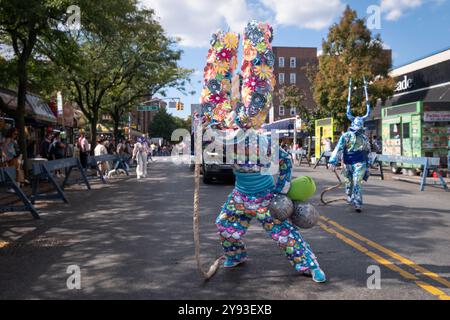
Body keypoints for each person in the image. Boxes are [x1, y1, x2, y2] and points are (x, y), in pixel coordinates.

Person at [201, 23, 325, 283]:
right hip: (239, 196)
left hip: (264, 197)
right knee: (225, 225)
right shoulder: (225, 140)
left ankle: (309, 265)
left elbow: (285, 160)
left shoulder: (261, 142)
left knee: (283, 234)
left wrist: (281, 190)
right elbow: (213, 136)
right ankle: (236, 254)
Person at [329, 78, 372, 213]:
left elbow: (368, 151)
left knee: (357, 181)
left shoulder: (364, 137)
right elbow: (338, 147)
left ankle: (358, 202)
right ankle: (349, 196)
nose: (358, 131)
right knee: (348, 182)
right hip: (348, 161)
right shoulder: (346, 136)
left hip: (360, 162)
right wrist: (333, 160)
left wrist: (369, 163)